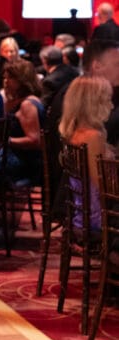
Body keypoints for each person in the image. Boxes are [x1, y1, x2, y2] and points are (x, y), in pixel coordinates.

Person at [59, 75, 115, 231]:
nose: (111, 106)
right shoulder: (92, 137)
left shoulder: (76, 132)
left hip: (82, 212)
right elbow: (103, 186)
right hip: (96, 218)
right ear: (93, 104)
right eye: (108, 100)